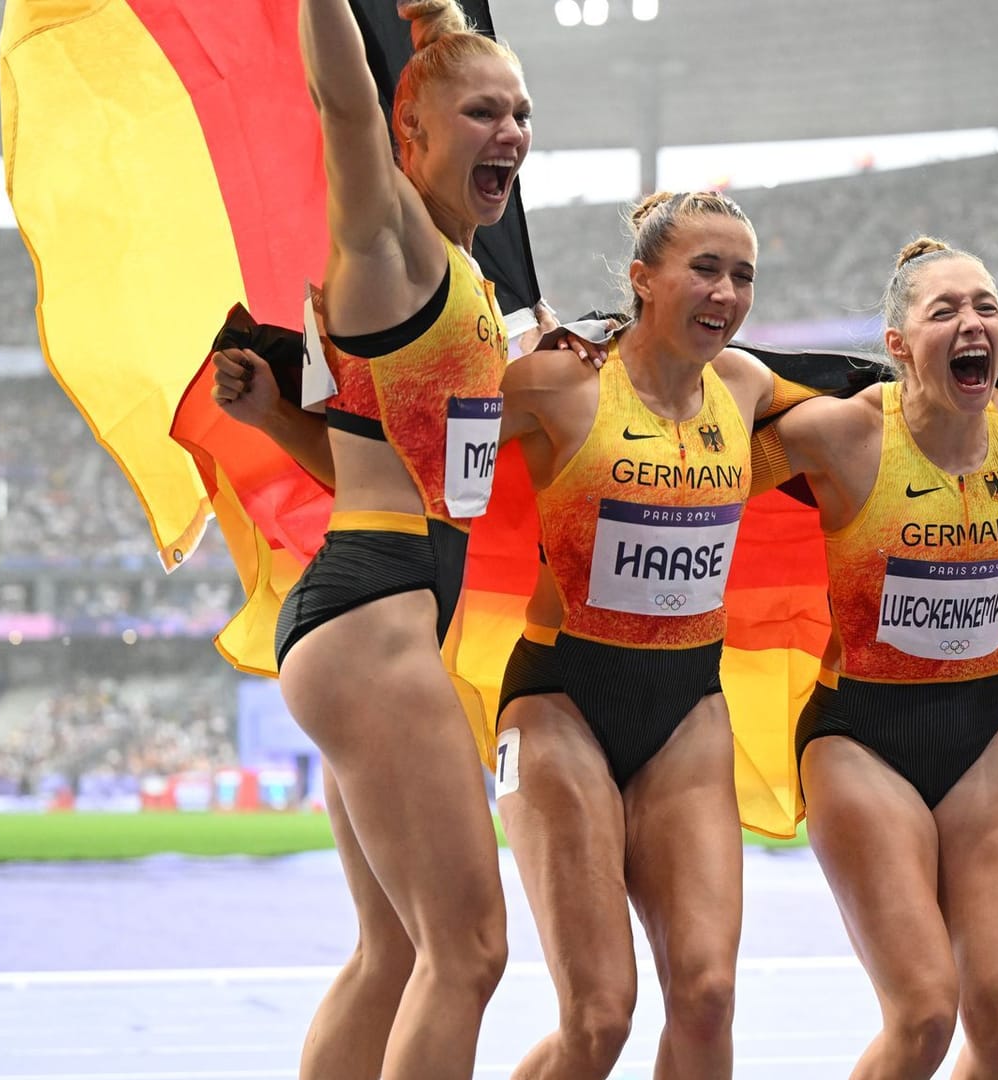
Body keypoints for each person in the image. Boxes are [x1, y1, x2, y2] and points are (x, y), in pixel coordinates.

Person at [208, 1, 532, 1075]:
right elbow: (343, 102)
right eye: (482, 111)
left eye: (521, 113)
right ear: (413, 138)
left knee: (397, 949)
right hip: (375, 618)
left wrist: (274, 422)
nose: (512, 132)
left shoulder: (465, 275)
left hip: (370, 606)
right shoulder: (390, 239)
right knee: (470, 951)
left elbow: (368, 470)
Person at [751, 238, 998, 1079]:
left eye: (986, 307)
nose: (972, 324)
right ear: (897, 345)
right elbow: (696, 473)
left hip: (983, 734)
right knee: (923, 1014)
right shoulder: (838, 434)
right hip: (860, 738)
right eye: (946, 310)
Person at [489, 189, 766, 1080]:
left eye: (743, 275)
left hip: (689, 705)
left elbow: (877, 406)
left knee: (708, 996)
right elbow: (411, 434)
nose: (725, 291)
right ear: (643, 279)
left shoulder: (749, 387)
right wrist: (280, 410)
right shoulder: (559, 384)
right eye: (705, 268)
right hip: (556, 699)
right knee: (601, 1015)